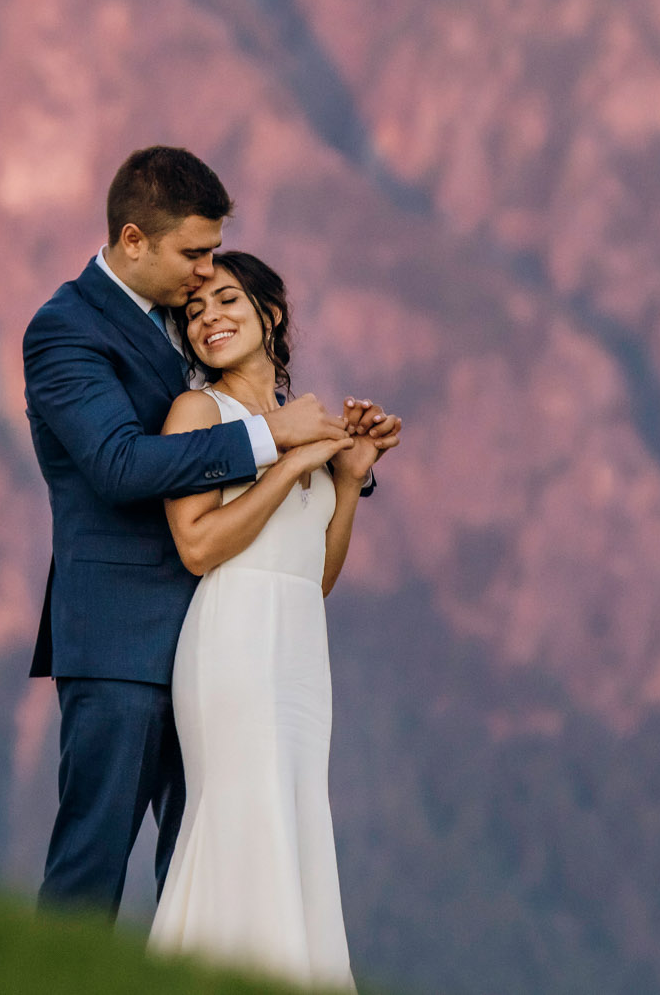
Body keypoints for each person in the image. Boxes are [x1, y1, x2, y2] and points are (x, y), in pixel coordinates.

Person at [24, 145, 396, 915]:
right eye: (194, 254)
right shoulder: (63, 331)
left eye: (216, 257)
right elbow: (122, 465)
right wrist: (275, 441)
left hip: (221, 653)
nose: (204, 277)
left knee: (205, 880)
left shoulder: (187, 324)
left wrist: (336, 463)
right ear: (134, 240)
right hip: (121, 645)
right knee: (90, 871)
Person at [146, 252, 395, 990]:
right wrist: (286, 458)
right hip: (231, 641)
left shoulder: (307, 425)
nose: (208, 317)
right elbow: (199, 545)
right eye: (193, 312)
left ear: (270, 313)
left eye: (226, 299)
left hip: (297, 656)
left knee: (293, 819)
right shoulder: (199, 413)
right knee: (241, 812)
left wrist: (345, 479)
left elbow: (312, 575)